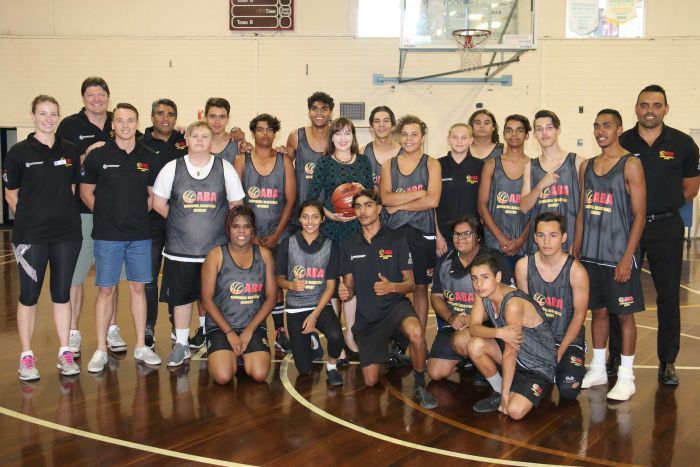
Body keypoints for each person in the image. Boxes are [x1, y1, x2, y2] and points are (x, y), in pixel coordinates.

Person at [614, 84, 700, 385]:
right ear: (636, 108)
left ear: (665, 108)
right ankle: (615, 357)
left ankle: (667, 362)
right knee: (621, 293)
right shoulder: (621, 142)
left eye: (656, 104)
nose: (650, 109)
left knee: (668, 297)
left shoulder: (684, 144)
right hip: (626, 228)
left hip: (666, 227)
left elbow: (690, 189)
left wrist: (660, 205)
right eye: (644, 104)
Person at [153, 121, 245, 367]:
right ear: (187, 140)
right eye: (196, 136)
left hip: (214, 250)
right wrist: (182, 221)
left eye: (206, 136)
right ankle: (182, 344)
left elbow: (236, 204)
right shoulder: (172, 168)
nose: (201, 140)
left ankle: (209, 335)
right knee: (182, 298)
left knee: (212, 296)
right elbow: (158, 203)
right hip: (180, 250)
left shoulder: (225, 168)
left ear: (211, 140)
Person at [338, 189, 438, 409]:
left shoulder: (396, 239)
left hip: (395, 308)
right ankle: (388, 355)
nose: (363, 211)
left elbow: (410, 284)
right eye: (358, 207)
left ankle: (420, 385)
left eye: (368, 205)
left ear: (379, 209)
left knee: (416, 331)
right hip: (369, 317)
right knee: (371, 381)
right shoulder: (348, 245)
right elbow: (349, 286)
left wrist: (393, 287)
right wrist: (345, 292)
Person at [80, 103, 162, 372]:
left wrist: (134, 215)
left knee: (138, 288)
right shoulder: (97, 156)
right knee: (106, 290)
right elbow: (85, 192)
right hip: (107, 236)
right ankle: (101, 349)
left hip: (139, 235)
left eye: (130, 120)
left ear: (137, 123)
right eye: (120, 120)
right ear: (112, 125)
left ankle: (141, 345)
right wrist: (107, 215)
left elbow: (152, 195)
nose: (125, 125)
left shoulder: (148, 156)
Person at [5, 95, 82, 380]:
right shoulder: (19, 152)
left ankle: (65, 351)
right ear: (33, 115)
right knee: (29, 295)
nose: (48, 119)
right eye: (42, 113)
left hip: (66, 234)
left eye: (53, 114)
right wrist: (31, 218)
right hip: (31, 236)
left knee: (61, 293)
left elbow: (72, 189)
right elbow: (11, 194)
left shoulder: (71, 151)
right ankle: (26, 356)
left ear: (58, 116)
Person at [574, 109, 646, 401]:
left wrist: (628, 257)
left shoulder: (630, 165)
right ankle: (599, 368)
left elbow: (640, 215)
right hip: (591, 255)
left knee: (625, 316)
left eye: (607, 125)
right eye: (596, 126)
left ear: (619, 129)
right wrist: (576, 253)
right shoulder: (587, 166)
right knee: (598, 313)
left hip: (618, 254)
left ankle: (627, 376)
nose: (600, 130)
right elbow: (581, 211)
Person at [56, 77, 126, 358]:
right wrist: (87, 154)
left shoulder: (118, 120)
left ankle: (112, 327)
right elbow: (63, 162)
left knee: (110, 278)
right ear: (83, 98)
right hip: (81, 213)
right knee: (75, 276)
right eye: (91, 94)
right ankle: (73, 332)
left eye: (101, 94)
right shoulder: (70, 126)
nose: (97, 98)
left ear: (108, 96)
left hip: (114, 213)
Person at [307, 117, 373, 358]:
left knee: (352, 283)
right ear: (331, 137)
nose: (343, 138)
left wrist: (362, 191)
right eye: (338, 134)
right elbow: (313, 198)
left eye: (347, 133)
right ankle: (336, 339)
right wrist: (329, 215)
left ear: (353, 136)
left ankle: (350, 334)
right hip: (333, 231)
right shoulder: (324, 163)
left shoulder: (364, 162)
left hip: (357, 230)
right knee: (334, 286)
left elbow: (371, 198)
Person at [234, 113, 296, 355]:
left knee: (277, 283)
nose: (265, 134)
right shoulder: (241, 160)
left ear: (275, 133)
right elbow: (238, 202)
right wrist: (250, 235)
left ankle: (280, 331)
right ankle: (251, 329)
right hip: (248, 237)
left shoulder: (284, 161)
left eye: (270, 130)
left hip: (278, 235)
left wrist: (274, 235)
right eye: (260, 129)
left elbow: (290, 201)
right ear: (253, 133)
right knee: (249, 284)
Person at [467, 254, 557, 419]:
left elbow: (510, 352)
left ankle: (534, 387)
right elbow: (473, 328)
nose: (478, 284)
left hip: (537, 365)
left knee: (514, 411)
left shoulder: (513, 304)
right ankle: (499, 389)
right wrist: (499, 332)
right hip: (517, 359)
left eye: (485, 277)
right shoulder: (482, 294)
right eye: (474, 278)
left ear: (498, 277)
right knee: (474, 345)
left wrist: (506, 397)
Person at [281, 91, 335, 353]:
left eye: (324, 109)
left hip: (329, 218)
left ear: (330, 112)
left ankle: (330, 330)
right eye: (315, 108)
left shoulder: (337, 138)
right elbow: (283, 158)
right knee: (300, 278)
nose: (319, 113)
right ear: (309, 111)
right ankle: (305, 330)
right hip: (301, 218)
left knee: (326, 279)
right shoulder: (297, 136)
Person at [427, 216, 512, 381]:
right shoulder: (445, 261)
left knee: (461, 341)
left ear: (478, 236)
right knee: (435, 373)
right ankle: (470, 360)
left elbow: (506, 300)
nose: (461, 238)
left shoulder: (494, 259)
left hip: (488, 325)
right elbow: (436, 296)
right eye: (457, 234)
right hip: (456, 324)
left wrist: (475, 319)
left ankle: (496, 373)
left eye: (466, 234)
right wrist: (451, 317)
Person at [515, 212, 589, 400]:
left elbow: (579, 317)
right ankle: (546, 374)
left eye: (553, 235)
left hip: (567, 339)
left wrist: (559, 351)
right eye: (541, 235)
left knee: (568, 389)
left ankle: (565, 366)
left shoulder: (576, 271)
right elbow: (524, 312)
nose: (546, 242)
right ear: (535, 238)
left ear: (564, 237)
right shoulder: (523, 266)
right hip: (538, 339)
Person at [200, 206, 277, 384]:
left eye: (246, 226)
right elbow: (206, 299)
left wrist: (249, 331)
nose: (241, 231)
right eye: (236, 226)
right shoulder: (216, 255)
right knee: (223, 377)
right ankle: (230, 354)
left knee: (259, 374)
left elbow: (272, 298)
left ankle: (241, 355)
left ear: (253, 230)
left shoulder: (264, 255)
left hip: (252, 326)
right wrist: (229, 333)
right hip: (221, 327)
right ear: (228, 230)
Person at [380, 115, 441, 332]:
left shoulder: (432, 164)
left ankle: (419, 340)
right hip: (394, 234)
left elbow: (433, 200)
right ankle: (394, 339)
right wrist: (419, 194)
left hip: (422, 234)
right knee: (394, 287)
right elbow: (385, 199)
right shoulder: (389, 164)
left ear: (422, 137)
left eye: (414, 134)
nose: (409, 139)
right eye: (404, 134)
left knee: (420, 288)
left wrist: (399, 205)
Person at [275, 200, 345, 385]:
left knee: (337, 336)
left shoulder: (331, 246)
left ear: (322, 219)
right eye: (305, 217)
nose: (310, 221)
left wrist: (314, 315)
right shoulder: (287, 245)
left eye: (315, 217)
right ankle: (312, 340)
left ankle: (332, 367)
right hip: (295, 309)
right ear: (299, 219)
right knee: (304, 369)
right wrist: (290, 285)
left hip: (319, 305)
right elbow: (278, 279)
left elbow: (331, 286)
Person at [139, 98, 188, 349]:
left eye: (170, 114)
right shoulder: (140, 145)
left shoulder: (184, 143)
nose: (165, 118)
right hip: (150, 223)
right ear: (152, 117)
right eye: (160, 113)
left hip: (180, 224)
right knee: (148, 277)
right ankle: (148, 327)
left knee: (176, 276)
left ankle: (175, 326)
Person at [520, 110, 583, 254]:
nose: (545, 133)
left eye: (549, 127)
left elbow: (585, 208)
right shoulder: (530, 166)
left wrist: (579, 241)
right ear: (535, 135)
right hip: (540, 245)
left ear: (558, 130)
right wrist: (542, 184)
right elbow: (523, 207)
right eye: (539, 129)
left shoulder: (577, 162)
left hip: (570, 242)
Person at [478, 114, 531, 269]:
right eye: (509, 130)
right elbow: (482, 206)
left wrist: (521, 240)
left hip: (523, 243)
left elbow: (536, 210)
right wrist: (501, 238)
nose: (513, 134)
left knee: (520, 291)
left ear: (527, 135)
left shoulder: (534, 166)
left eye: (519, 130)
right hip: (495, 242)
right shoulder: (491, 165)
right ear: (503, 134)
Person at [435, 123, 482, 256]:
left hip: (472, 237)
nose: (459, 141)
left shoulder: (481, 166)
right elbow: (431, 205)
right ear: (448, 139)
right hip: (444, 238)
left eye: (464, 137)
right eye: (455, 137)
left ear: (471, 140)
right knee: (444, 275)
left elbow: (485, 203)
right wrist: (438, 236)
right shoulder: (436, 165)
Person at [360, 106, 402, 188]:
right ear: (371, 127)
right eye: (377, 121)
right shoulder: (362, 152)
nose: (381, 125)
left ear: (393, 126)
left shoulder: (404, 153)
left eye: (386, 121)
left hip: (398, 200)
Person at [206, 97, 244, 165]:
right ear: (205, 118)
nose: (217, 121)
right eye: (212, 116)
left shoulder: (239, 144)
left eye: (222, 117)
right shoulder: (197, 143)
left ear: (227, 119)